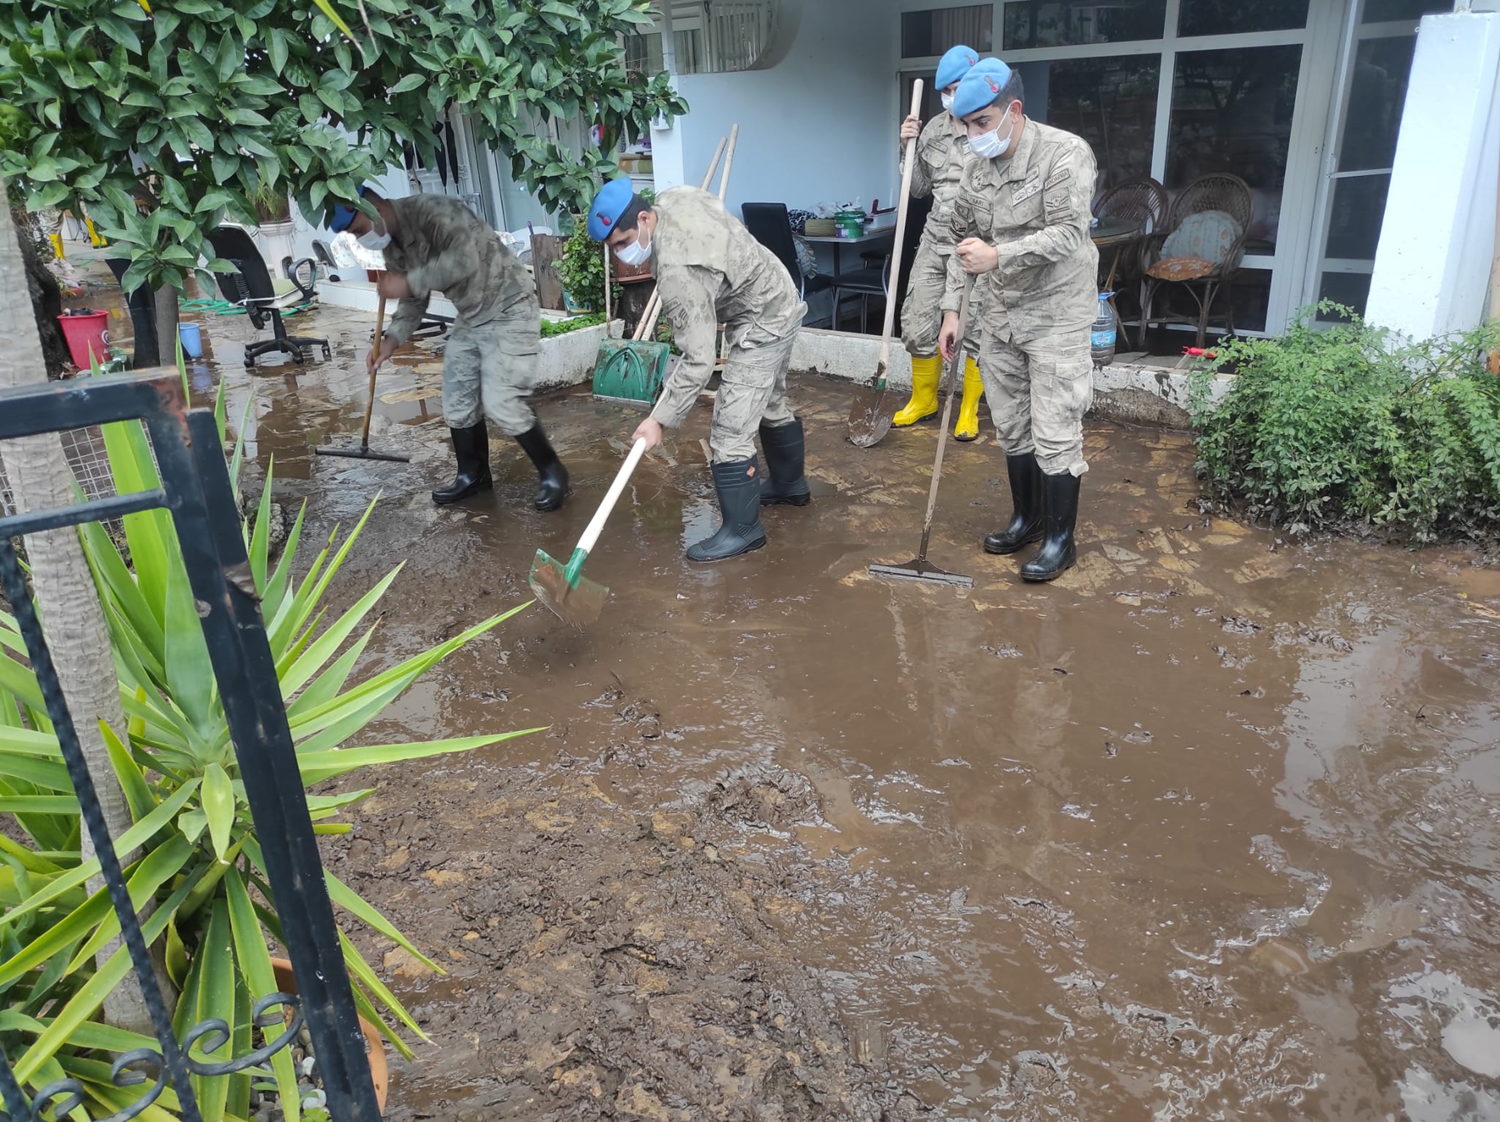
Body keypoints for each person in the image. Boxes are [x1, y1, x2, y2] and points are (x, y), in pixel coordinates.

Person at [585, 178, 810, 563]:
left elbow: (699, 360)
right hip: (778, 289)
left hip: (763, 319)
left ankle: (743, 531)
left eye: (623, 242)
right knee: (769, 400)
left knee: (730, 428)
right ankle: (790, 486)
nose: (622, 256)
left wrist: (659, 419)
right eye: (614, 249)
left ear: (643, 218)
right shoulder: (674, 198)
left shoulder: (678, 271)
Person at [940, 59, 1099, 582]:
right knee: (1011, 425)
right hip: (998, 314)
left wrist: (998, 255)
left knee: (1055, 429)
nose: (972, 136)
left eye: (981, 123)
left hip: (1055, 313)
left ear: (1013, 110)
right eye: (964, 126)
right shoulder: (973, 167)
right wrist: (951, 310)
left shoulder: (1064, 154)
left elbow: (1069, 234)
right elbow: (959, 243)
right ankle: (1027, 519)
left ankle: (1060, 539)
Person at [329, 186, 568, 512]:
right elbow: (413, 300)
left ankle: (552, 471)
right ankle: (473, 475)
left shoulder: (433, 211)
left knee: (502, 402)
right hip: (471, 313)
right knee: (456, 399)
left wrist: (409, 282)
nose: (361, 240)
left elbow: (465, 258)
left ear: (375, 207)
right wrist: (391, 340)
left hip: (508, 304)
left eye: (359, 230)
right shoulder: (392, 247)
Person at [894, 44, 987, 441]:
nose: (952, 95)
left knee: (974, 329)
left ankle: (968, 408)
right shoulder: (932, 128)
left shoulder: (988, 126)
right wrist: (906, 147)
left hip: (975, 241)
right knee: (917, 323)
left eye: (959, 86)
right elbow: (915, 190)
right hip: (935, 238)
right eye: (946, 89)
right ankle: (924, 399)